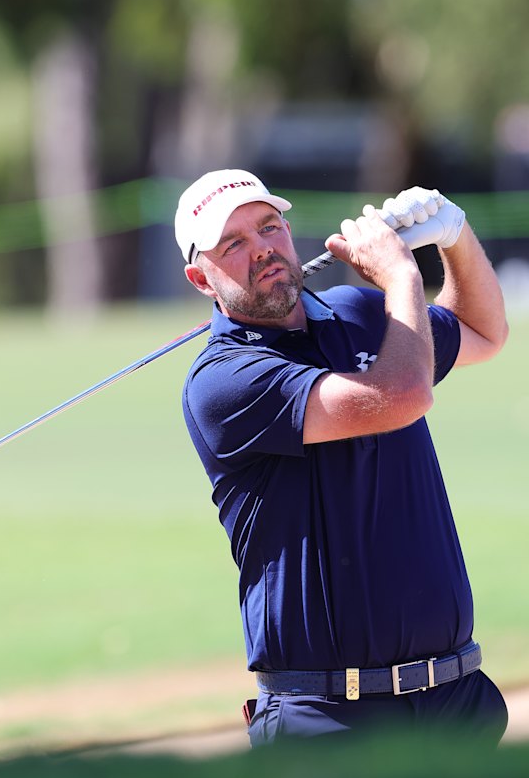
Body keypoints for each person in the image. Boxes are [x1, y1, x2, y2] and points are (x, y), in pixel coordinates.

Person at [174, 168, 509, 746]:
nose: (263, 250)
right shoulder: (223, 382)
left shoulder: (356, 312)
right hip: (329, 720)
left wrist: (455, 238)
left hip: (456, 701)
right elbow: (403, 395)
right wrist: (402, 273)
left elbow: (484, 330)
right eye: (234, 245)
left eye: (268, 227)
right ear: (201, 277)